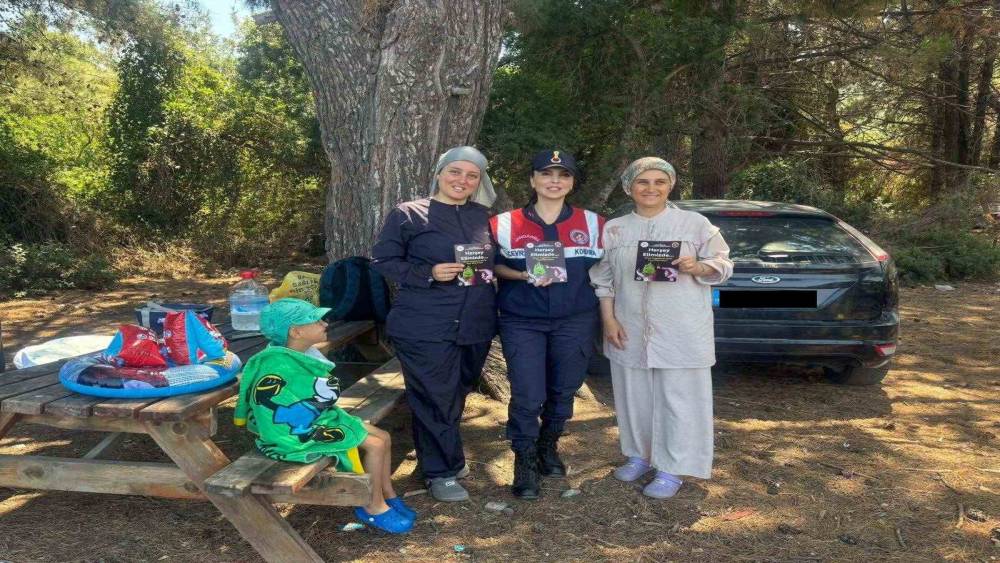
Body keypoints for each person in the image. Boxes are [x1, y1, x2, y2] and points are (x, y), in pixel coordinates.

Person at [589, 157, 733, 498]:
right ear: (629, 187)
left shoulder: (695, 224)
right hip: (629, 327)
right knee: (633, 395)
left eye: (659, 181)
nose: (651, 188)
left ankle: (673, 467)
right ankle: (639, 455)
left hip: (681, 329)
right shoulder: (615, 229)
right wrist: (609, 319)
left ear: (670, 186)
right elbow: (603, 278)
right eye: (643, 181)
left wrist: (697, 267)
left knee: (678, 399)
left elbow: (723, 264)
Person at [370, 146, 497, 502]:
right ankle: (441, 472)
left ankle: (442, 457)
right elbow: (383, 260)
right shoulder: (409, 213)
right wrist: (428, 273)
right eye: (455, 171)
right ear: (440, 173)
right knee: (435, 397)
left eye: (472, 175)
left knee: (456, 393)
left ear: (479, 182)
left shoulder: (484, 217)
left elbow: (495, 263)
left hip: (475, 324)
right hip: (424, 324)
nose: (462, 180)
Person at [234, 298, 415, 533]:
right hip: (293, 434)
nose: (324, 323)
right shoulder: (277, 366)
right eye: (316, 320)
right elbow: (280, 412)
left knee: (383, 437)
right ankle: (373, 506)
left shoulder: (299, 353)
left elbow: (312, 396)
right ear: (296, 331)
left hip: (317, 417)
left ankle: (387, 494)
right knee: (375, 444)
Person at [490, 149, 605, 499]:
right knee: (527, 393)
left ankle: (548, 446)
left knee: (563, 388)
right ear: (532, 179)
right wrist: (521, 275)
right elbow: (491, 266)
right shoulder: (503, 223)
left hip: (575, 320)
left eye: (563, 175)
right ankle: (524, 459)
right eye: (546, 173)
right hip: (522, 321)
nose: (555, 181)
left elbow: (611, 269)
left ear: (572, 182)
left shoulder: (594, 224)